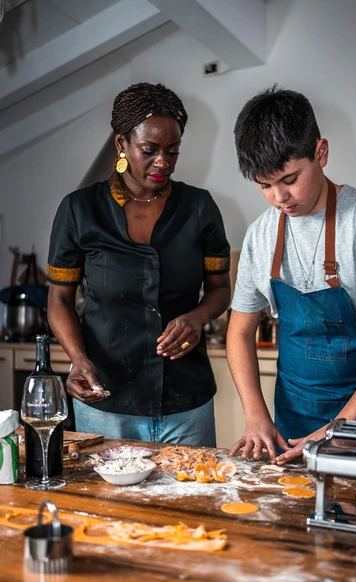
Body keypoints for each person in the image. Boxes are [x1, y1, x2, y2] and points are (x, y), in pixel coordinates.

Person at [227, 86, 356, 465]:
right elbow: (238, 331)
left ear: (321, 153)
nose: (279, 197)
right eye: (265, 185)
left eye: (289, 178)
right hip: (293, 424)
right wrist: (255, 416)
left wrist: (341, 426)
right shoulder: (261, 234)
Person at [47, 82, 231, 446]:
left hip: (186, 400)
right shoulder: (80, 210)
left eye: (173, 151)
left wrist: (197, 318)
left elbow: (220, 289)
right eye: (149, 150)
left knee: (190, 499)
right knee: (109, 503)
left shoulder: (199, 208)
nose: (163, 162)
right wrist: (79, 359)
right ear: (121, 144)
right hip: (106, 399)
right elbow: (59, 301)